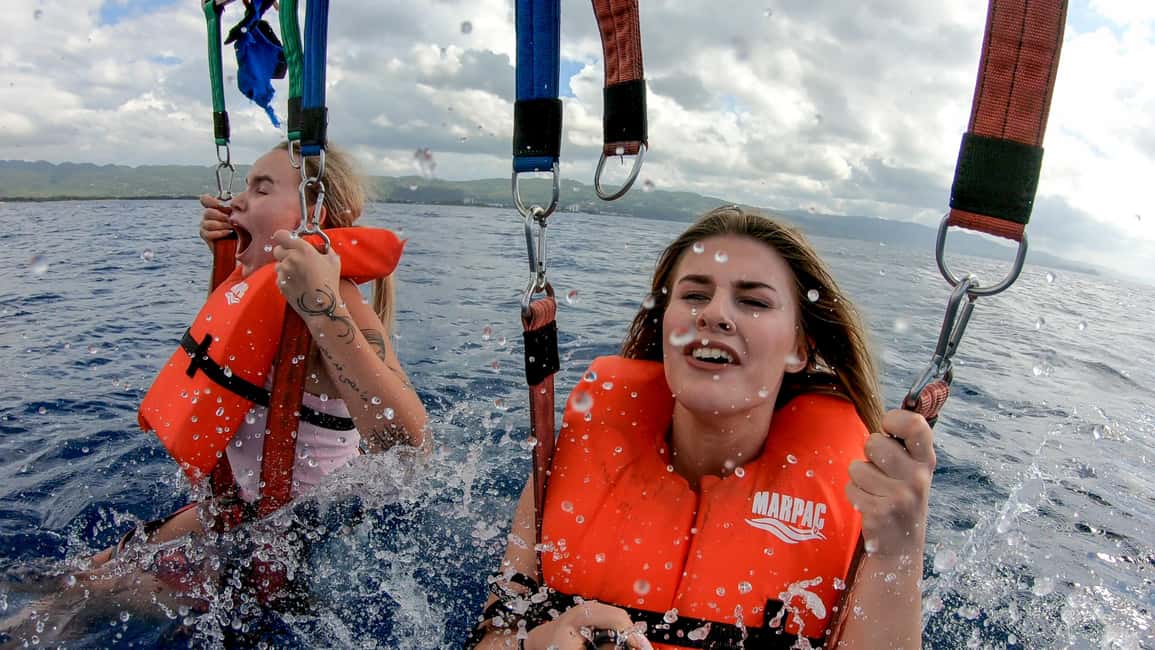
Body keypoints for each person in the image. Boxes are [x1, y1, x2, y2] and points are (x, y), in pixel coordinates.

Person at [0, 142, 429, 644]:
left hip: (282, 550)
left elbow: (411, 446)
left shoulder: (340, 308)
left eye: (261, 189)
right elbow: (227, 375)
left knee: (66, 605)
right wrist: (224, 259)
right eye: (244, 186)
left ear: (316, 213)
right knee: (60, 580)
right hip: (228, 515)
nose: (236, 203)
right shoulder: (257, 288)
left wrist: (321, 304)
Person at [468, 206, 934, 649]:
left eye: (753, 301)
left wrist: (899, 550)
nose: (714, 314)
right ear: (667, 324)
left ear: (799, 348)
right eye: (693, 295)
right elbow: (494, 634)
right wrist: (535, 642)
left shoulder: (868, 508)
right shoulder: (562, 466)